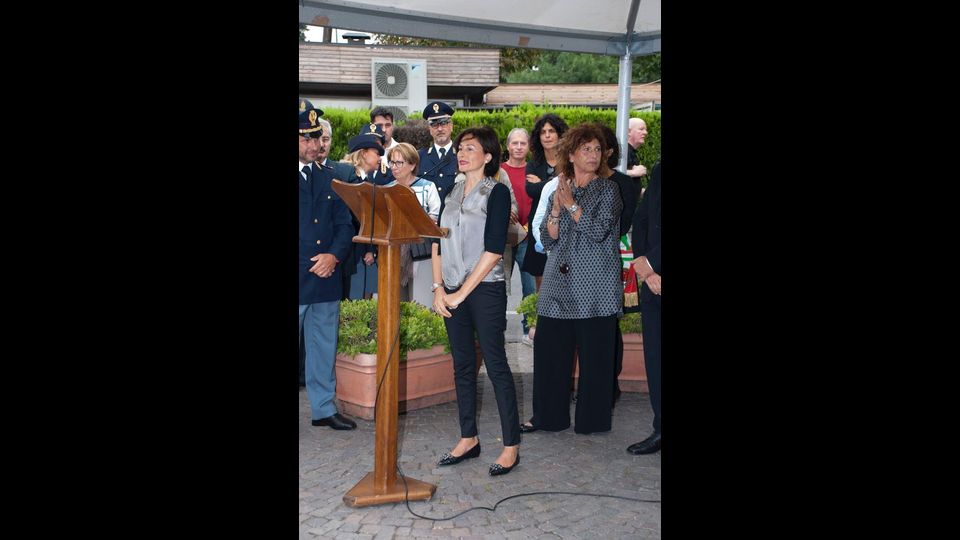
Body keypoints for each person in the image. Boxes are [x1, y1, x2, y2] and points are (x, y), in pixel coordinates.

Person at [432, 126, 521, 476]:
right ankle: (468, 437)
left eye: (470, 148)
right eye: (460, 147)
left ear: (487, 156)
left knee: (496, 364)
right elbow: (436, 240)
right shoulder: (450, 190)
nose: (461, 152)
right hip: (451, 288)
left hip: (484, 291)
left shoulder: (496, 192)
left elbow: (494, 249)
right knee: (462, 365)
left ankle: (511, 445)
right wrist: (438, 288)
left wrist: (459, 293)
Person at [524, 124, 622, 435]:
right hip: (556, 285)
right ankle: (548, 418)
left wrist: (570, 206)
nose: (593, 155)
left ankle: (591, 422)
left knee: (596, 362)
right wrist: (555, 208)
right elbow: (547, 241)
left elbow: (598, 231)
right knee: (551, 355)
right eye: (586, 149)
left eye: (597, 149)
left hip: (596, 288)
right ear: (571, 154)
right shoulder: (558, 187)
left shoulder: (609, 190)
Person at [298, 105, 358, 430]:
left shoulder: (329, 178)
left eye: (316, 138)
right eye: (305, 139)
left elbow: (344, 225)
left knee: (323, 347)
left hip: (325, 276)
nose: (314, 146)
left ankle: (323, 409)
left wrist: (333, 257)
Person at [597, 124, 640, 407]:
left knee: (608, 327)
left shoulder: (625, 184)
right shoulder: (575, 181)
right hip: (580, 267)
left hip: (611, 264)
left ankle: (608, 385)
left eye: (597, 147)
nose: (591, 153)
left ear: (609, 151)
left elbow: (621, 225)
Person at [627, 158, 661, 455]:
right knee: (656, 359)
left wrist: (652, 263)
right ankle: (660, 427)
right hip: (653, 282)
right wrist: (643, 265)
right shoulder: (660, 167)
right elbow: (642, 217)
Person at [386, 142, 441, 306]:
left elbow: (435, 220)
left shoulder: (428, 187)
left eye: (399, 163)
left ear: (412, 165)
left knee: (422, 304)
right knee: (396, 304)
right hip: (393, 253)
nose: (394, 167)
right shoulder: (386, 189)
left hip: (422, 253)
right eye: (391, 162)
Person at [341, 124, 390, 299]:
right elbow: (354, 218)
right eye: (377, 153)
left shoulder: (364, 179)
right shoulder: (347, 177)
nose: (380, 157)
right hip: (347, 254)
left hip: (357, 252)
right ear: (363, 153)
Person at [521, 114, 569, 291]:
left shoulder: (570, 161)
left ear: (560, 135)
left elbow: (568, 187)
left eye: (551, 131)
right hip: (539, 225)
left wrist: (541, 183)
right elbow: (530, 190)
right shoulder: (534, 163)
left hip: (567, 224)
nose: (547, 136)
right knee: (541, 282)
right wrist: (555, 182)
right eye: (543, 132)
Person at [501, 128, 537, 342]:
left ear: (528, 146)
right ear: (508, 146)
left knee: (530, 286)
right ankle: (498, 329)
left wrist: (528, 227)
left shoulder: (533, 171)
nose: (518, 147)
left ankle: (530, 329)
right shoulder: (498, 170)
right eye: (514, 143)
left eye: (523, 143)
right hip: (504, 237)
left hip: (528, 236)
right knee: (499, 286)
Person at [418, 101, 458, 213]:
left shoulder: (462, 156)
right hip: (427, 220)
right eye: (434, 125)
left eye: (443, 123)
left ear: (451, 126)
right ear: (430, 130)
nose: (439, 129)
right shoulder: (419, 157)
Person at [371, 106, 400, 172]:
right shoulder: (364, 152)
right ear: (372, 127)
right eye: (380, 125)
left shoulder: (402, 152)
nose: (384, 130)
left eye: (388, 125)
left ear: (393, 126)